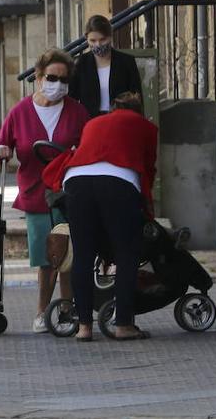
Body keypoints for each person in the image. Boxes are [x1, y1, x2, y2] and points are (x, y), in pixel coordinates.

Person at [42, 92, 158, 342]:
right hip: (119, 182)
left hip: (77, 181)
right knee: (126, 253)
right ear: (139, 110)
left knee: (83, 254)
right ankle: (123, 324)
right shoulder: (146, 126)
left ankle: (84, 326)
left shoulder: (93, 123)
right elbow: (148, 167)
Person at [0, 49, 90, 332]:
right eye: (51, 77)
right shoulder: (20, 112)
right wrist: (1, 151)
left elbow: (88, 146)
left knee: (68, 255)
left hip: (68, 192)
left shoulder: (76, 111)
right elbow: (3, 144)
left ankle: (69, 308)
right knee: (45, 257)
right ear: (38, 77)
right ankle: (42, 311)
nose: (57, 84)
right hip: (35, 193)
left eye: (63, 79)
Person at [67, 15, 143, 117]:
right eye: (93, 41)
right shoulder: (80, 63)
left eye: (102, 39)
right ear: (87, 39)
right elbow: (72, 98)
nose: (98, 44)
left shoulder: (126, 61)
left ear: (110, 36)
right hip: (90, 121)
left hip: (121, 119)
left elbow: (137, 96)